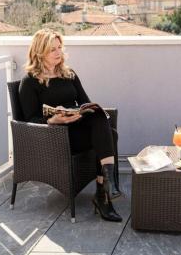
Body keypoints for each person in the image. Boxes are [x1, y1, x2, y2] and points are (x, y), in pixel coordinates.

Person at [18, 28, 122, 222]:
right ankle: (105, 193)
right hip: (55, 137)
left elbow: (86, 103)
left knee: (98, 116)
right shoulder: (29, 82)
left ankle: (105, 190)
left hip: (77, 129)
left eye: (59, 47)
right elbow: (29, 120)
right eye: (52, 50)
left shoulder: (69, 74)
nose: (59, 53)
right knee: (111, 135)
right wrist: (53, 120)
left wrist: (78, 113)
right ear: (40, 52)